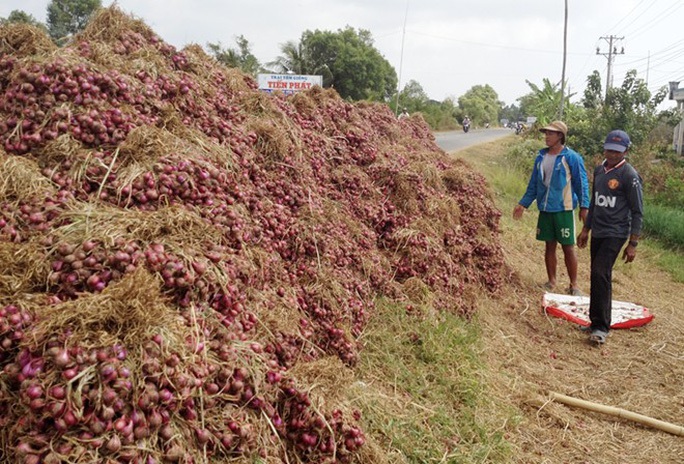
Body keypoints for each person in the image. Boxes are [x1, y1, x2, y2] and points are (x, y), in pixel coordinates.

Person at [577, 130, 643, 345]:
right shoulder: (599, 170)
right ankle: (595, 320)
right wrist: (586, 229)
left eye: (617, 151)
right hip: (598, 230)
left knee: (600, 272)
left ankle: (601, 328)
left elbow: (637, 211)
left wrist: (632, 243)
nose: (612, 154)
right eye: (609, 150)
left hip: (616, 233)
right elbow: (595, 203)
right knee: (597, 275)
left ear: (626, 151)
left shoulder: (629, 176)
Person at [513, 120, 590, 295]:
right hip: (546, 209)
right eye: (546, 133)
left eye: (551, 133)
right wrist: (523, 204)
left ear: (560, 136)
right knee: (549, 246)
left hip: (564, 208)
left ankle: (574, 285)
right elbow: (534, 184)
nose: (546, 136)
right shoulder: (541, 157)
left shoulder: (571, 158)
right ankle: (551, 281)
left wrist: (585, 207)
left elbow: (582, 183)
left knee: (568, 246)